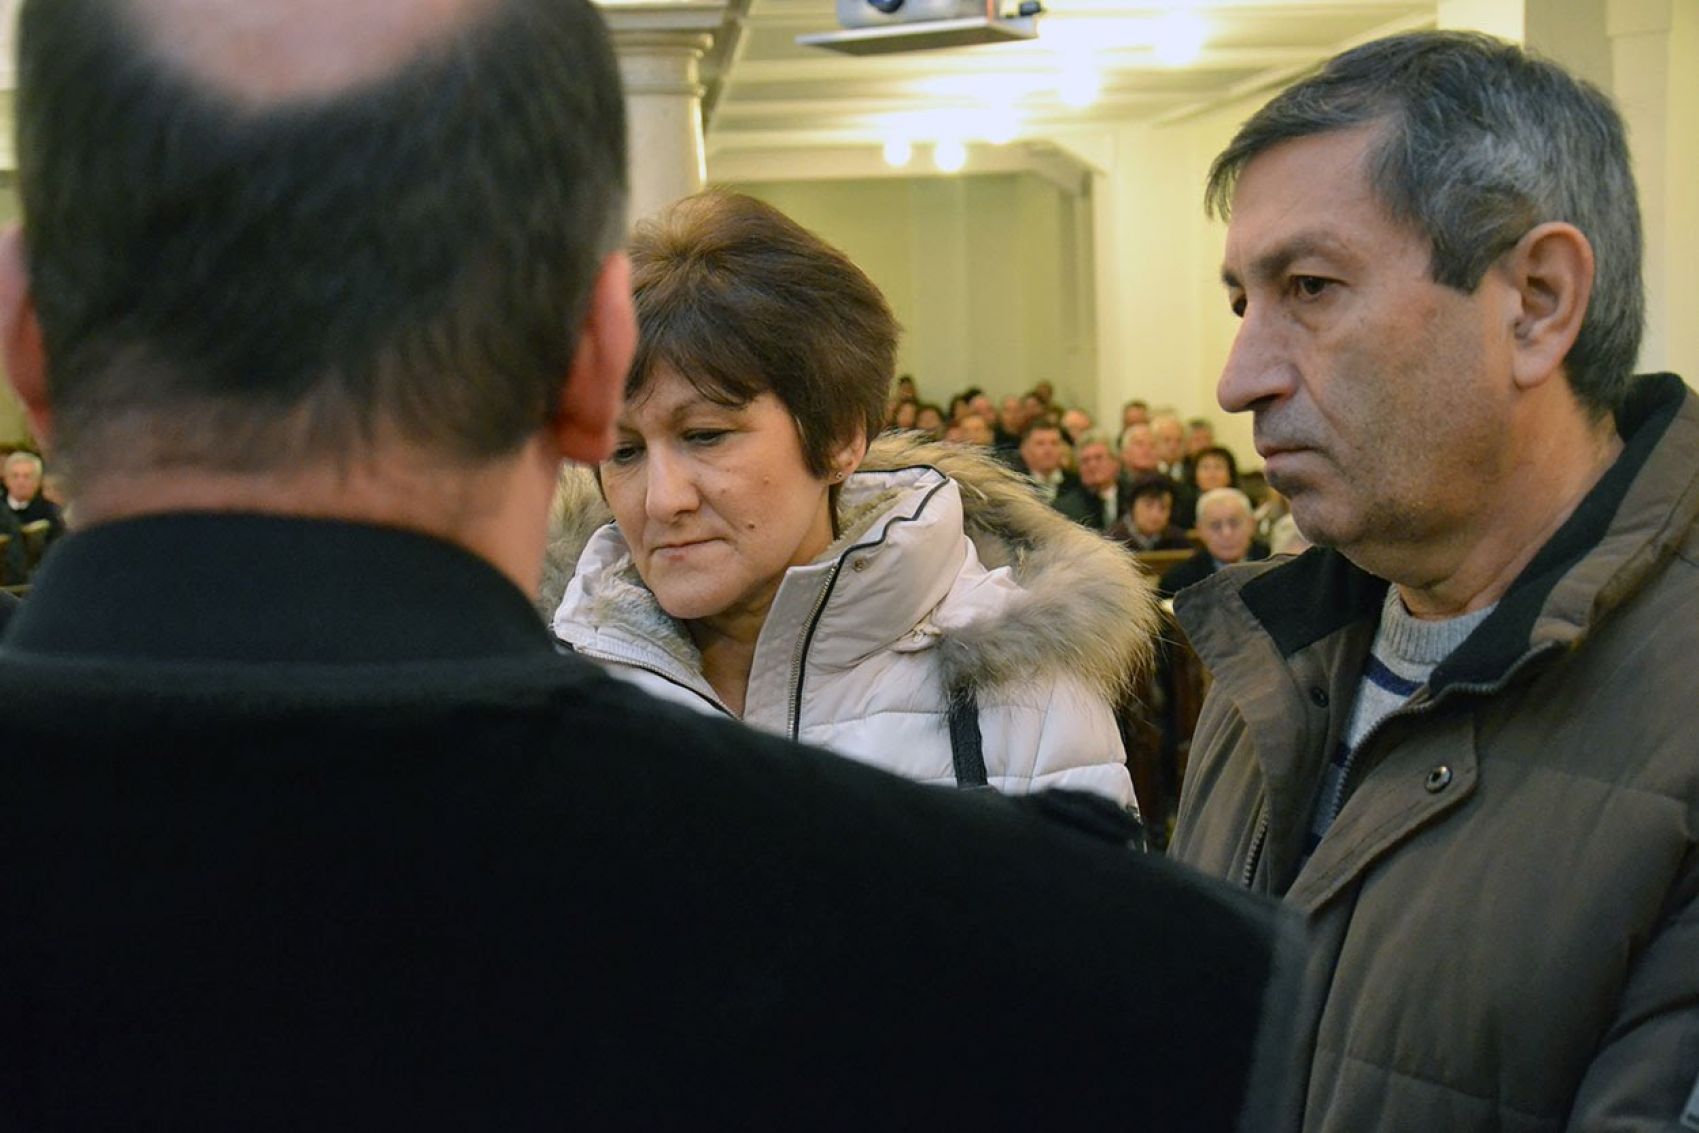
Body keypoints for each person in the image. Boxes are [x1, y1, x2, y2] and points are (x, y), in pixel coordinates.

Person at [0, 0, 1310, 1127]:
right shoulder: (1127, 977)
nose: (666, 493)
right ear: (592, 369)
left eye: (709, 434)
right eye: (641, 444)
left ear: (24, 333)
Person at [1169, 29, 1699, 1133]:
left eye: (1310, 287)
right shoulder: (1268, 651)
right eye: (1242, 303)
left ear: (1535, 302)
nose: (1237, 379)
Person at [549, 191, 1144, 804]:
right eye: (624, 451)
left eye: (705, 435)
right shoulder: (546, 693)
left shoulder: (1023, 697)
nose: (661, 500)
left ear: (838, 438)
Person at [1157, 487, 1267, 598]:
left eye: (1234, 523)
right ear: (1200, 530)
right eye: (1215, 526)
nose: (1226, 533)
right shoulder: (1179, 582)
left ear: (1252, 524)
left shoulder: (1273, 565)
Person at [1054, 433, 1131, 530]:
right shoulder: (1065, 509)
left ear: (1116, 462)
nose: (1092, 465)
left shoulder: (1134, 499)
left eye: (1098, 458)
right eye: (1085, 461)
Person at [1108, 473, 1193, 553]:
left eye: (1163, 508)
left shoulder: (1178, 541)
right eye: (1148, 506)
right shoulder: (1112, 541)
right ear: (1132, 506)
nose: (1155, 514)